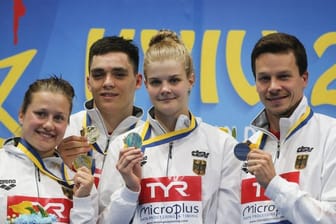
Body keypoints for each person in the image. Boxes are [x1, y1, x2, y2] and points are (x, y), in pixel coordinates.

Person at [98, 29, 241, 223]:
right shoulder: (122, 146)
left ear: (191, 80)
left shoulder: (223, 146)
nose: (165, 89)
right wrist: (130, 191)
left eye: (174, 80)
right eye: (156, 82)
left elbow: (230, 218)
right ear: (146, 84)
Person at [240, 32, 336, 223]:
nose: (273, 87)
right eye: (264, 78)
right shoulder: (247, 149)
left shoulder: (331, 135)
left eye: (284, 76)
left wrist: (274, 184)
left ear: (304, 78)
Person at [0, 76, 98, 223]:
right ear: (21, 115)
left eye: (58, 118)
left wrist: (82, 200)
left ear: (67, 124)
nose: (48, 125)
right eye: (41, 114)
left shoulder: (78, 177)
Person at [57, 36, 144, 188]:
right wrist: (59, 164)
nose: (108, 83)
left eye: (119, 74)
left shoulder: (151, 139)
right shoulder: (63, 131)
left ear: (137, 81)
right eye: (98, 75)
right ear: (88, 82)